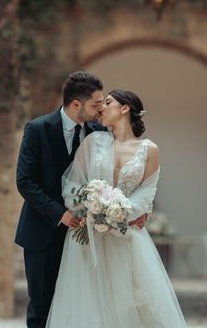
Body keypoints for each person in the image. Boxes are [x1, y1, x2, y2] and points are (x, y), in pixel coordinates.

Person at [47, 89, 187, 328]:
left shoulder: (148, 149)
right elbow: (73, 185)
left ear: (125, 108)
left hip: (125, 235)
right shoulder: (92, 142)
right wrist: (91, 207)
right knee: (88, 300)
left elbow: (146, 193)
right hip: (88, 235)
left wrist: (117, 212)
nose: (101, 108)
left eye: (108, 102)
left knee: (130, 303)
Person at [15, 72, 146, 327]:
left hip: (89, 236)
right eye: (96, 104)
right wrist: (59, 214)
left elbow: (125, 169)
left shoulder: (100, 133)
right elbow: (25, 181)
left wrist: (136, 208)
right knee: (42, 304)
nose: (101, 110)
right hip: (44, 231)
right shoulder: (38, 129)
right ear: (77, 104)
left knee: (84, 307)